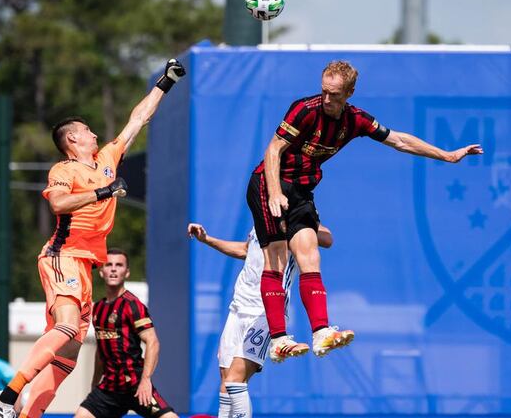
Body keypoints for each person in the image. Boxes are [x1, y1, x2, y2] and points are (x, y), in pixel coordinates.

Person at [0, 59, 186, 418]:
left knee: (68, 356)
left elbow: (138, 119)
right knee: (66, 327)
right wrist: (103, 192)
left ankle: (27, 415)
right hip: (62, 256)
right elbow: (59, 203)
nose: (94, 135)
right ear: (73, 139)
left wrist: (165, 83)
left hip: (84, 264)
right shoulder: (64, 169)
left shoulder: (105, 158)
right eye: (88, 131)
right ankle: (8, 395)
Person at [246, 60, 484, 361]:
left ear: (349, 93)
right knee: (277, 257)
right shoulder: (304, 109)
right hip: (269, 184)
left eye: (334, 94)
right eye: (324, 91)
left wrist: (447, 156)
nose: (327, 99)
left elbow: (399, 140)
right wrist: (274, 193)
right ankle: (279, 340)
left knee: (310, 255)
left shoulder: (356, 120)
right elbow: (274, 149)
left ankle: (321, 333)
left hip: (302, 191)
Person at [187, 223, 332, 418]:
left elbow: (327, 238)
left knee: (235, 380)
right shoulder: (261, 218)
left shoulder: (295, 213)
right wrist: (207, 239)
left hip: (266, 311)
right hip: (238, 307)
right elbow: (245, 250)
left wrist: (294, 224)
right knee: (226, 380)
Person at [75, 248, 178, 418]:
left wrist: (146, 380)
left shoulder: (133, 305)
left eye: (119, 265)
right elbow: (101, 351)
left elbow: (153, 342)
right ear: (101, 271)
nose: (113, 269)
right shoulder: (97, 308)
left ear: (127, 272)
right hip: (109, 389)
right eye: (109, 265)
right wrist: (94, 384)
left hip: (137, 386)